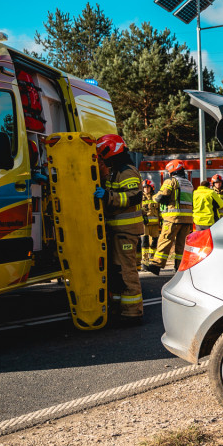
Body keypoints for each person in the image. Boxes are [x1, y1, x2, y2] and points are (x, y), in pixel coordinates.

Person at [95, 134, 144, 325]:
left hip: (126, 232)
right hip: (116, 231)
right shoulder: (115, 171)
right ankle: (118, 309)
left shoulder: (127, 172)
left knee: (126, 272)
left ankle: (133, 313)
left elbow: (133, 197)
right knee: (116, 272)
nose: (102, 158)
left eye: (103, 154)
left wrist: (108, 196)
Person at [145, 160, 193, 274]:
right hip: (187, 219)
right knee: (181, 245)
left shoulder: (171, 181)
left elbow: (160, 197)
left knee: (165, 240)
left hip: (173, 218)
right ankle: (180, 268)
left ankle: (156, 265)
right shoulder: (188, 183)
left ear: (172, 170)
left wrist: (154, 197)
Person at [140, 180, 161, 267]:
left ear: (151, 188)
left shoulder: (155, 197)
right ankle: (145, 260)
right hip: (145, 224)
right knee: (144, 242)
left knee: (154, 242)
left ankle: (152, 259)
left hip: (155, 224)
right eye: (144, 188)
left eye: (148, 187)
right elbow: (138, 209)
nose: (146, 189)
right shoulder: (140, 197)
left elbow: (159, 209)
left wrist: (162, 220)